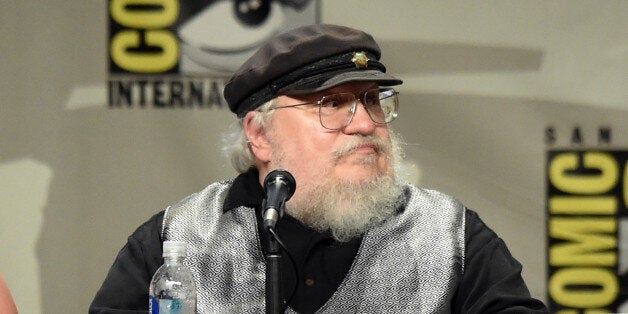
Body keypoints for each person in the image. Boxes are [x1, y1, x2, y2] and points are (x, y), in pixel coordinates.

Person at [90, 24, 548, 313]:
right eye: (332, 104)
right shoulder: (176, 240)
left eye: (371, 100)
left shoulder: (451, 237)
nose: (366, 123)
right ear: (260, 135)